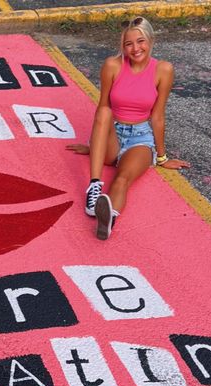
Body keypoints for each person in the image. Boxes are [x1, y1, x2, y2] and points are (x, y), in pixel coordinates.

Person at [69, 17, 190, 240]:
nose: (135, 49)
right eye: (128, 44)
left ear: (151, 41)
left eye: (140, 41)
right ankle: (94, 186)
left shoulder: (163, 70)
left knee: (122, 178)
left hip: (141, 139)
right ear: (122, 47)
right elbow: (102, 108)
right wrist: (94, 144)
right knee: (105, 111)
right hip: (112, 136)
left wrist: (162, 157)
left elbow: (158, 116)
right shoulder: (112, 65)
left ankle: (109, 219)